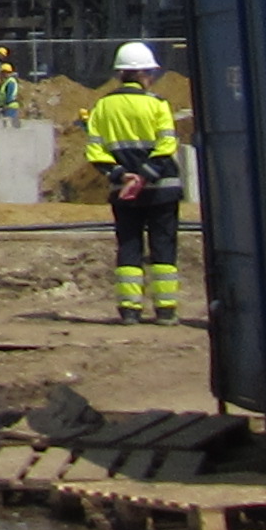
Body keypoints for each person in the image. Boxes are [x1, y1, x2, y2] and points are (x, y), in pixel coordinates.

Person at [85, 41, 188, 324]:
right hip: (161, 189)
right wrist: (145, 174)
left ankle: (130, 310)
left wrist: (122, 175)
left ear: (120, 74)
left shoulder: (102, 107)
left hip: (123, 191)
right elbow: (167, 145)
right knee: (163, 247)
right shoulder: (158, 105)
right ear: (144, 74)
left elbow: (95, 150)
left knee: (129, 246)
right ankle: (166, 310)